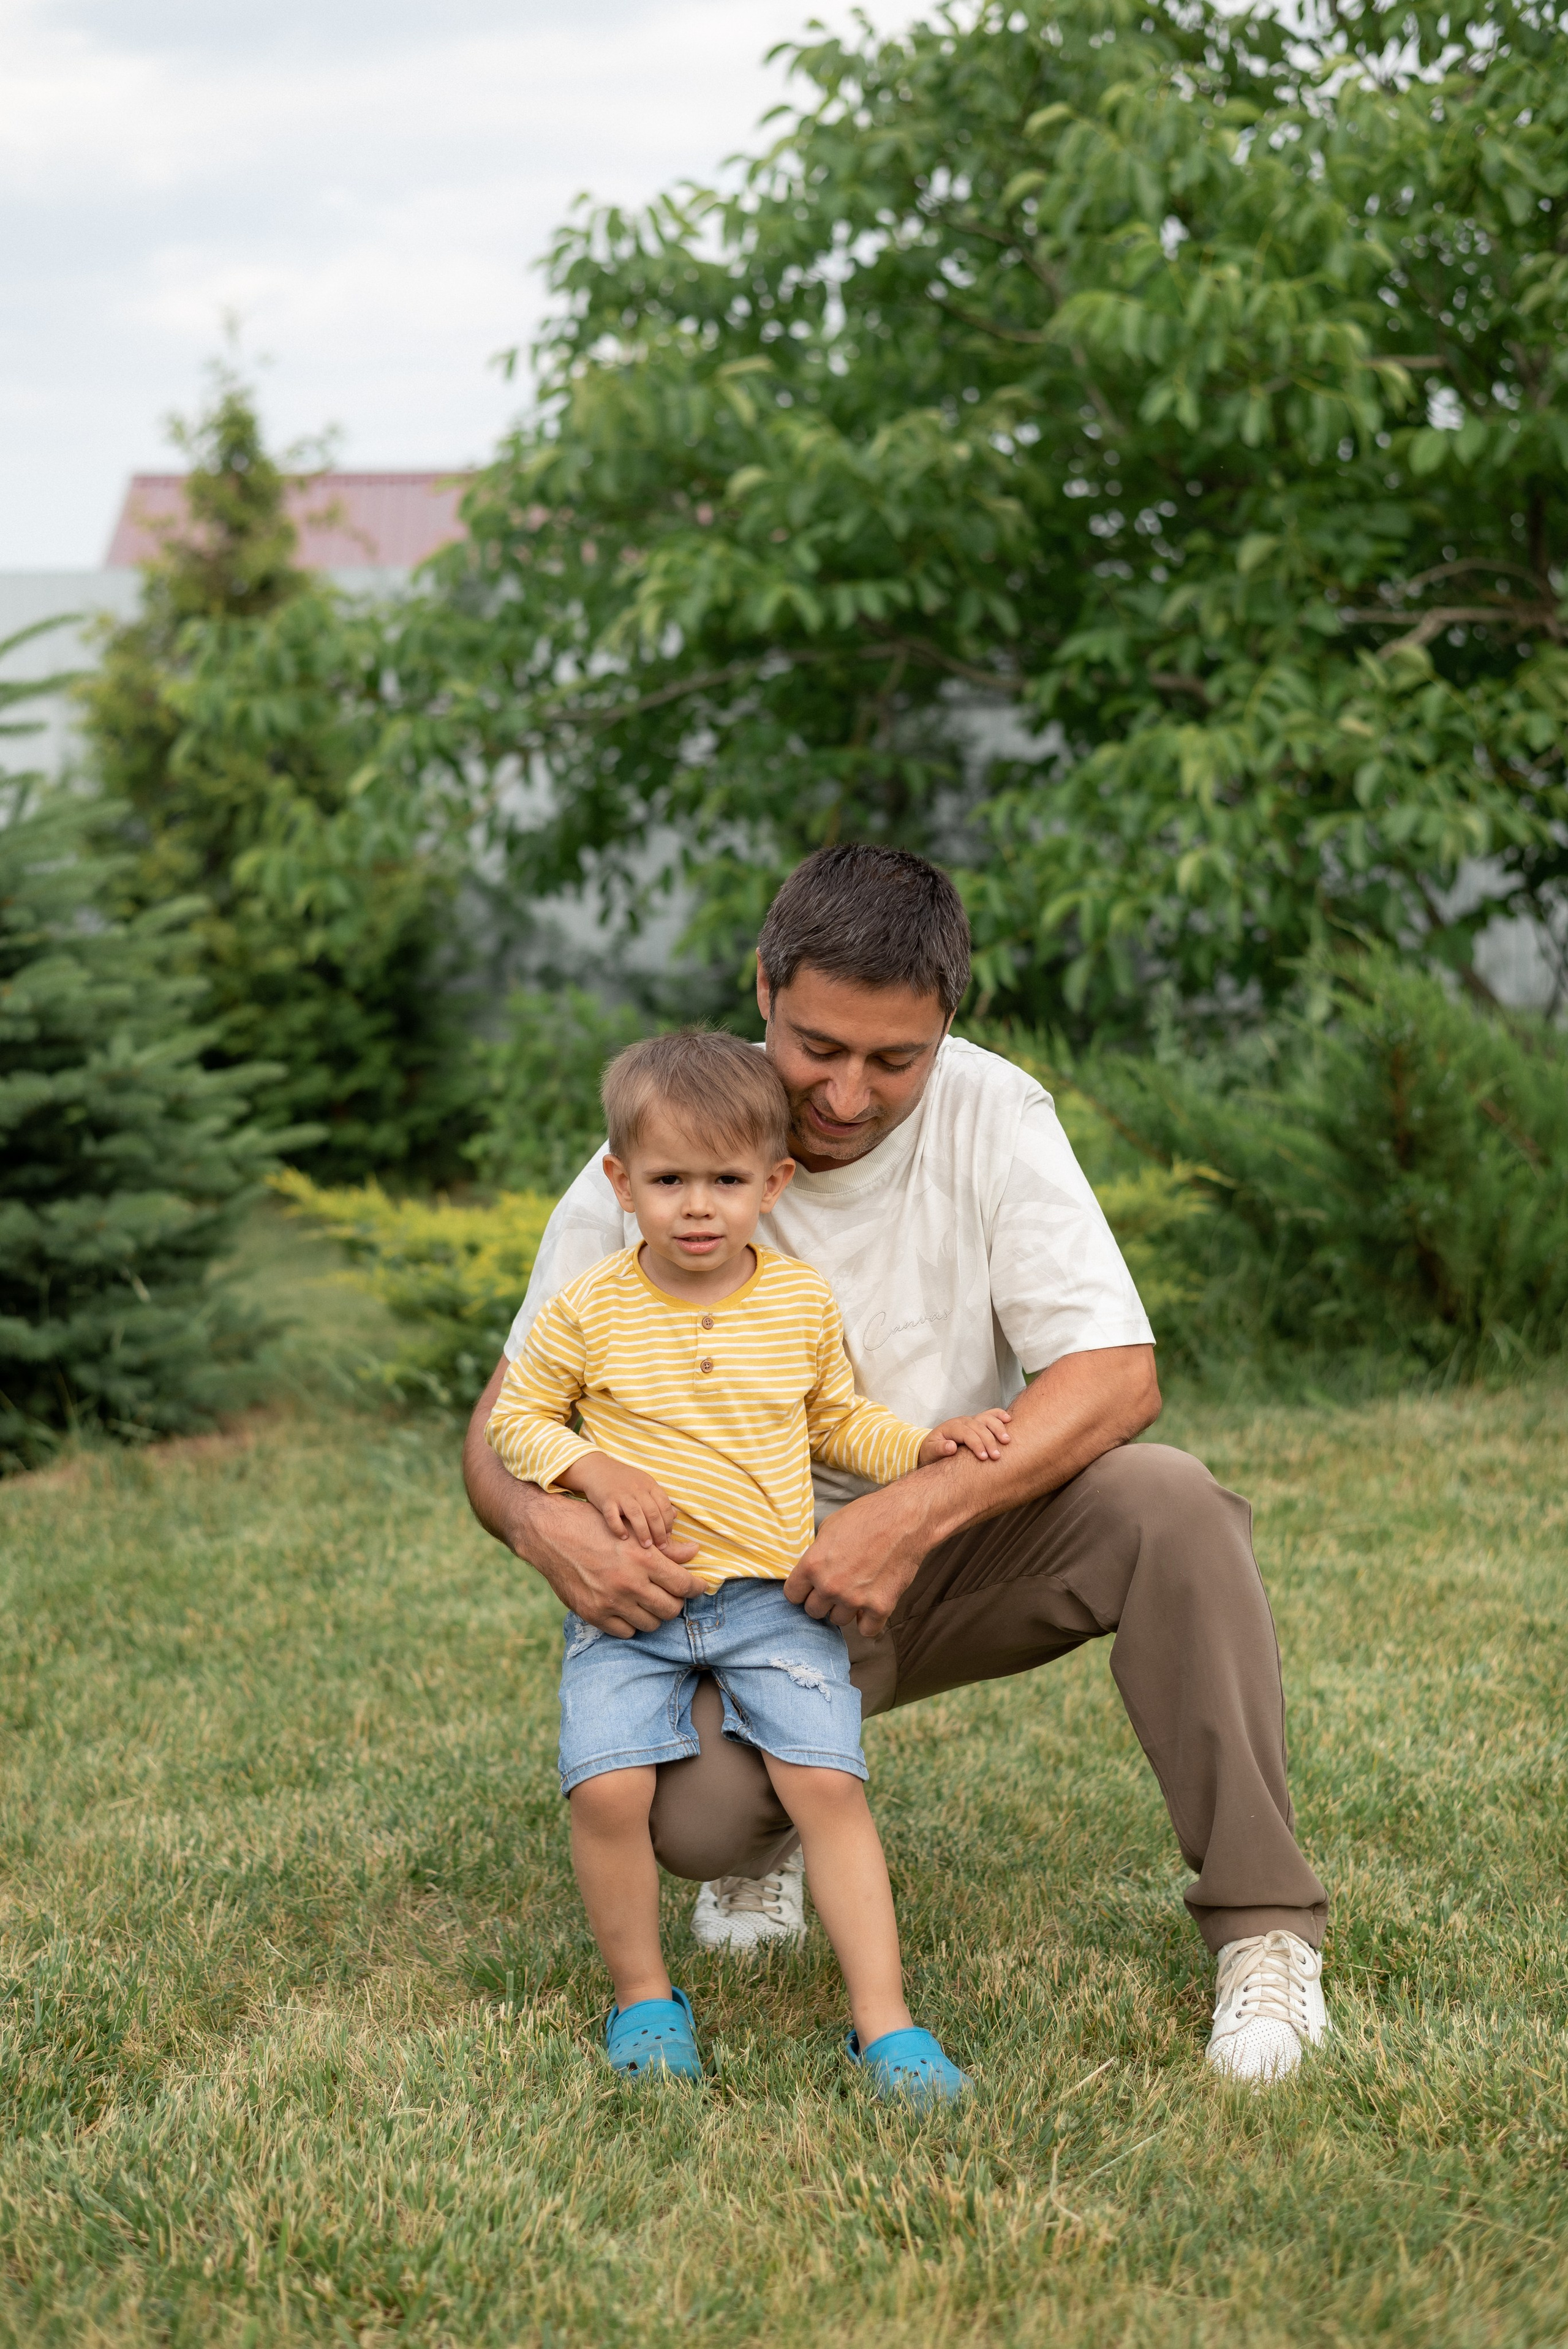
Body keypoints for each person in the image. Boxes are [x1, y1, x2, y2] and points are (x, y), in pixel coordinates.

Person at [464, 845, 1332, 2086]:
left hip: (951, 1547)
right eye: (817, 1047)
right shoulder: (665, 1146)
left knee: (1172, 1504)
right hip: (736, 1594)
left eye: (894, 1061)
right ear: (763, 988)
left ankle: (1264, 1927)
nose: (846, 1095)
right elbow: (499, 1427)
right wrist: (546, 1528)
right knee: (693, 1825)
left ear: (946, 1028)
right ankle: (761, 1846)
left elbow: (1116, 1375)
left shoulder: (994, 1115)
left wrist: (912, 1513)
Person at [486, 1030, 1009, 2094]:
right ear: (620, 1183)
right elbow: (518, 1422)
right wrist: (590, 1469)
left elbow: (838, 1423)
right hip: (637, 1607)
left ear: (772, 1185)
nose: (697, 1207)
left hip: (773, 1601)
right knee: (607, 1791)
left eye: (725, 1181)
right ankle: (644, 2001)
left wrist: (923, 1447)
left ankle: (886, 2025)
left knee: (827, 1783)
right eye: (668, 1181)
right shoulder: (590, 1308)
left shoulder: (798, 1302)